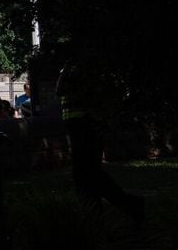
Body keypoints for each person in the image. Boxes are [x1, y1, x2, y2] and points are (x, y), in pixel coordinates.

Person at [58, 63, 144, 225]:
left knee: (87, 174)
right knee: (88, 175)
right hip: (82, 125)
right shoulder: (79, 67)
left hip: (86, 126)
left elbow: (60, 89)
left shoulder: (79, 68)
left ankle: (125, 207)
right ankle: (98, 212)